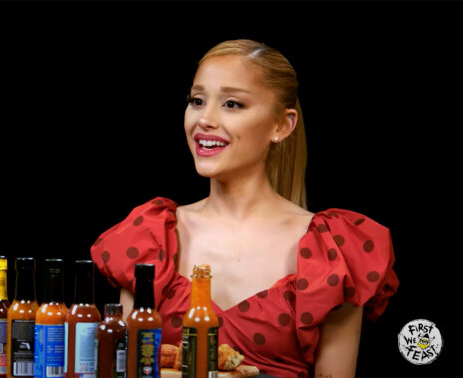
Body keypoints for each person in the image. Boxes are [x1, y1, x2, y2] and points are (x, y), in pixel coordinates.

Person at [90, 39, 399, 377]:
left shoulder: (334, 249)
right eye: (197, 101)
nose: (204, 119)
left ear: (282, 125)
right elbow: (122, 368)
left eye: (232, 104)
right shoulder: (149, 236)